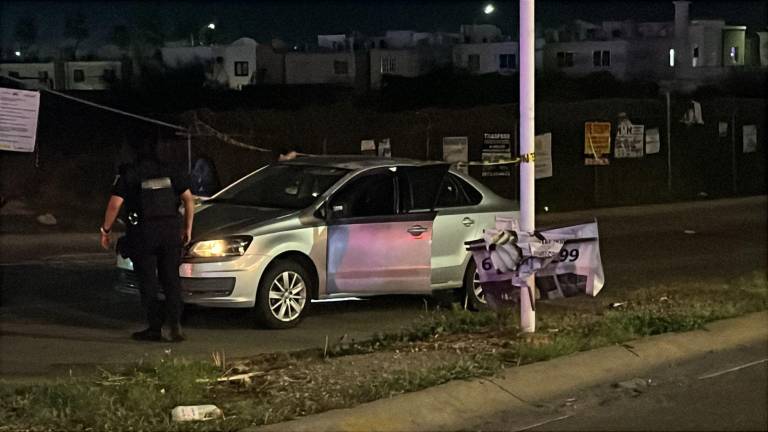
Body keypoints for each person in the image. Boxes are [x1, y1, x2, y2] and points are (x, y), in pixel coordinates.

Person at [100, 129, 195, 342]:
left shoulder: (130, 173)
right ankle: (175, 326)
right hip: (171, 232)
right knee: (171, 279)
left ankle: (154, 328)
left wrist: (106, 230)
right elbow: (189, 199)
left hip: (144, 234)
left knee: (148, 282)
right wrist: (187, 228)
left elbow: (115, 204)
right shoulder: (171, 170)